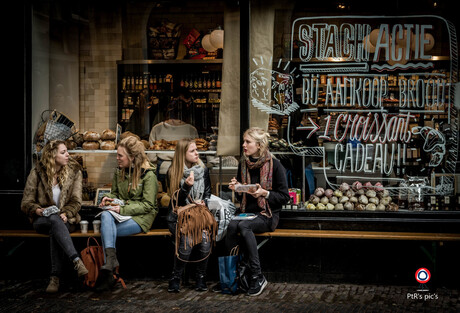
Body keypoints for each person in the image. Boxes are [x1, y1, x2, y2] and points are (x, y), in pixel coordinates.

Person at [226, 127, 290, 296]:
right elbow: (242, 198)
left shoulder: (275, 165)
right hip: (247, 212)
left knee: (243, 227)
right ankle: (233, 278)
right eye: (243, 141)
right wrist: (238, 188)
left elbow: (284, 196)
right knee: (231, 226)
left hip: (267, 214)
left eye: (248, 142)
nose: (244, 145)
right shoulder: (243, 164)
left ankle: (257, 276)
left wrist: (265, 193)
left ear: (259, 145)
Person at [21, 140, 88, 293]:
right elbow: (26, 202)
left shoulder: (74, 171)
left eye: (67, 151)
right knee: (52, 219)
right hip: (41, 220)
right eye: (63, 152)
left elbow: (77, 201)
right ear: (52, 155)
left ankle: (54, 278)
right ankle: (76, 260)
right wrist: (39, 211)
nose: (68, 155)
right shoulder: (37, 172)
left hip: (66, 220)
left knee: (55, 224)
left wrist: (66, 213)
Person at [97, 136, 158, 291]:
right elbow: (116, 193)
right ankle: (111, 263)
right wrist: (107, 198)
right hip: (122, 215)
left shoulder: (148, 175)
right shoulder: (120, 172)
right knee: (105, 215)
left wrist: (121, 208)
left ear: (132, 157)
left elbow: (148, 205)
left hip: (142, 218)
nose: (117, 158)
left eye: (120, 155)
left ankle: (109, 272)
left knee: (107, 231)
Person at [166, 139, 212, 293]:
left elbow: (208, 194)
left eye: (196, 149)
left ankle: (201, 277)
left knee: (205, 240)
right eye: (192, 151)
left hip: (198, 216)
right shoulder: (173, 172)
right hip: (179, 218)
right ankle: (176, 277)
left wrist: (203, 202)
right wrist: (186, 187)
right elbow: (175, 201)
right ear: (182, 154)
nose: (197, 153)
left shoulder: (203, 170)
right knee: (188, 238)